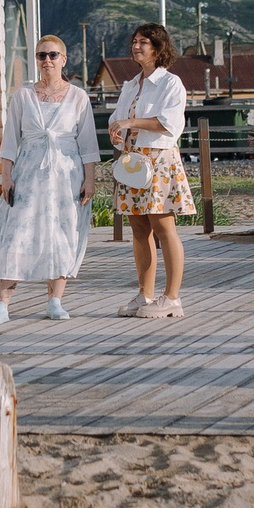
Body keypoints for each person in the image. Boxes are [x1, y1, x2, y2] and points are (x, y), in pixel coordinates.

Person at [0, 34, 99, 323]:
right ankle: (2, 303)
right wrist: (5, 177)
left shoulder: (78, 96)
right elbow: (9, 141)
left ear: (64, 59)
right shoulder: (23, 95)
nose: (47, 60)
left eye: (52, 55)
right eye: (41, 55)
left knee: (61, 232)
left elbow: (88, 144)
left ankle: (55, 300)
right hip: (29, 171)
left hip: (66, 173)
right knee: (17, 234)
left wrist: (90, 180)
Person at [110, 22, 194, 317]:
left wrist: (130, 123)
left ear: (158, 49)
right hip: (133, 160)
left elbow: (169, 123)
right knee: (138, 228)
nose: (136, 46)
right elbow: (118, 118)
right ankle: (144, 295)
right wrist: (116, 130)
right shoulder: (131, 85)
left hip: (159, 159)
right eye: (134, 41)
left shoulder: (171, 84)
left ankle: (172, 298)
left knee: (163, 226)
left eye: (143, 42)